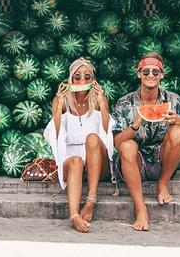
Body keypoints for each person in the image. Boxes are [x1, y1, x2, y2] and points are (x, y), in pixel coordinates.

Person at [112, 53, 180, 231]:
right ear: (138, 74)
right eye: (145, 71)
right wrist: (135, 125)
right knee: (127, 145)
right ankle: (141, 208)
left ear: (161, 74)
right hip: (134, 164)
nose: (150, 75)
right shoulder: (124, 103)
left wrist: (178, 121)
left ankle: (163, 185)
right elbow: (117, 143)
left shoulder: (173, 100)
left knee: (178, 132)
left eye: (155, 71)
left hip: (163, 161)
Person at [44, 57, 114, 232]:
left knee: (92, 137)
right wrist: (59, 105)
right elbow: (56, 135)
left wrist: (102, 103)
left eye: (87, 76)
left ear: (93, 80)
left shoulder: (99, 99)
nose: (82, 80)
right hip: (73, 163)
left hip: (98, 162)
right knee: (74, 160)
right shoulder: (62, 101)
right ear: (70, 79)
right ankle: (74, 215)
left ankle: (91, 198)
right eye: (77, 77)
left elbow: (108, 131)